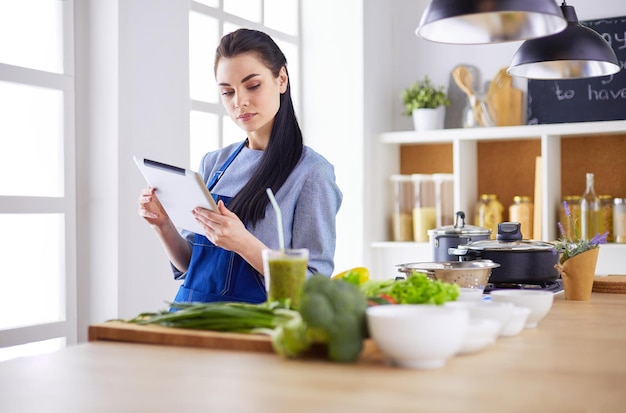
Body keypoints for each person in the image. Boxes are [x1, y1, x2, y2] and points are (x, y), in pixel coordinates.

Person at [138, 28, 342, 304]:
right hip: (190, 319)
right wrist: (162, 224)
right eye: (227, 92)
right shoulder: (214, 163)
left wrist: (243, 243)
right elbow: (191, 266)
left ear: (281, 79)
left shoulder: (312, 173)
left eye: (252, 85)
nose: (239, 102)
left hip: (255, 328)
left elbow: (313, 289)